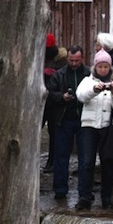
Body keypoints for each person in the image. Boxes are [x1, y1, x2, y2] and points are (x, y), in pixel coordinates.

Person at [75, 49, 113, 210]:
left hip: (109, 128)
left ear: (110, 68)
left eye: (106, 67)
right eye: (100, 66)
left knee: (108, 164)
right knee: (86, 162)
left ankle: (106, 197)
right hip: (89, 126)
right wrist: (94, 90)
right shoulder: (87, 81)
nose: (103, 69)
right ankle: (84, 197)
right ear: (95, 67)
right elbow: (81, 96)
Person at [47, 45, 91, 200]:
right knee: (61, 155)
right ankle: (60, 189)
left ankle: (85, 191)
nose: (74, 63)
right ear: (67, 59)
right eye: (71, 60)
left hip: (84, 119)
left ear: (82, 58)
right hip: (64, 118)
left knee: (85, 158)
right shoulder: (59, 75)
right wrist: (62, 97)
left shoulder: (89, 74)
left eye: (77, 60)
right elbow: (50, 95)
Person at [42, 34, 67, 174]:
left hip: (54, 102)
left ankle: (52, 161)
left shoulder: (61, 61)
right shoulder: (37, 59)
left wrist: (54, 73)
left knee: (54, 133)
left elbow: (63, 77)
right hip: (39, 102)